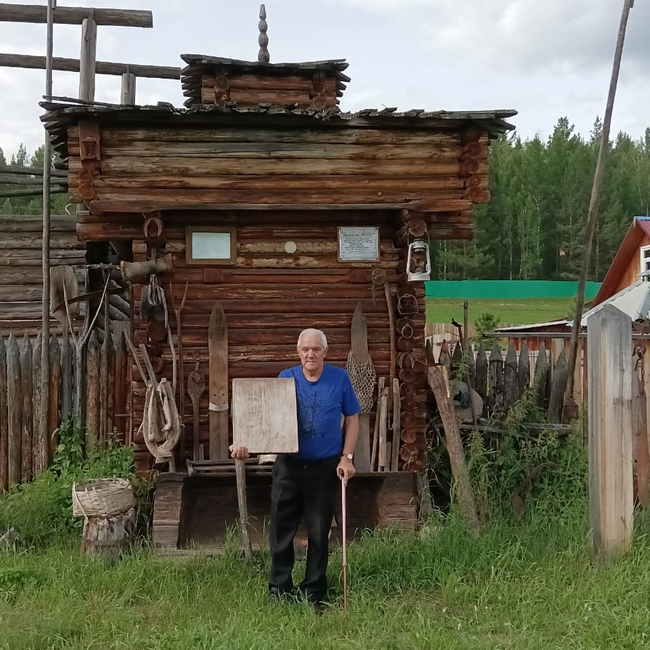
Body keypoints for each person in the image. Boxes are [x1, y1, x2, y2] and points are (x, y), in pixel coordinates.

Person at [230, 328, 360, 611]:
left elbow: (352, 419)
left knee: (319, 532)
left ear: (325, 352)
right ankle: (280, 590)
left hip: (324, 467)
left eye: (316, 349)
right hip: (288, 467)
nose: (310, 354)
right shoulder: (286, 379)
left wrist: (347, 457)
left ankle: (314, 592)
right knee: (281, 531)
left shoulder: (340, 379)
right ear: (298, 352)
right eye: (305, 349)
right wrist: (246, 445)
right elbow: (268, 422)